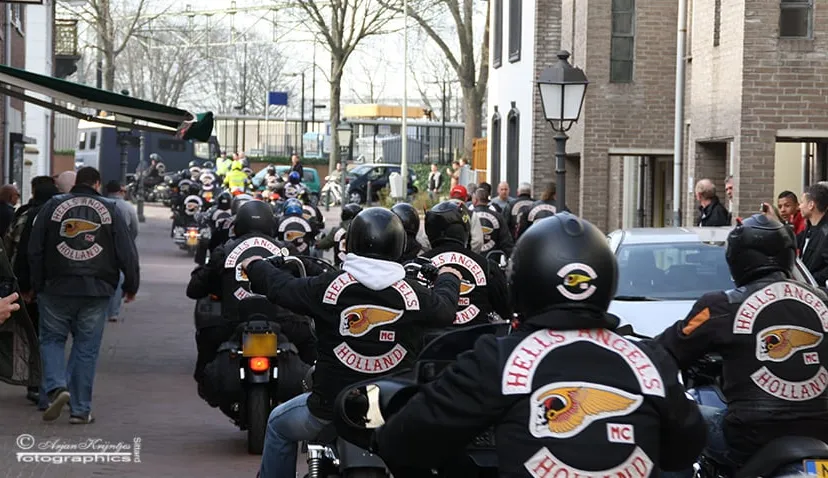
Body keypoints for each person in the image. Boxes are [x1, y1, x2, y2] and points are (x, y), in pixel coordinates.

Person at [373, 212, 705, 476]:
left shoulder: (498, 359)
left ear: (522, 281)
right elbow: (683, 449)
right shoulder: (650, 360)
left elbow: (403, 442)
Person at [240, 207, 462, 478]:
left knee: (276, 424)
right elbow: (446, 309)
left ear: (353, 241)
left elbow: (281, 287)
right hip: (394, 408)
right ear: (399, 244)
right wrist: (449, 277)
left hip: (330, 407)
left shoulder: (326, 288)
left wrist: (256, 265)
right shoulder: (415, 295)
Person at [656, 214, 828, 474]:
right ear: (789, 254)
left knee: (676, 422)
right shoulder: (822, 301)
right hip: (821, 430)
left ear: (737, 258)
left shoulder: (720, 306)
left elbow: (666, 349)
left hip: (749, 436)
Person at [29, 167, 140, 424]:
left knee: (52, 340)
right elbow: (127, 251)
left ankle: (57, 386)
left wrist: (37, 283)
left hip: (56, 286)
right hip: (96, 289)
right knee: (86, 349)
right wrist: (130, 285)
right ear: (97, 184)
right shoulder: (110, 209)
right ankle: (80, 410)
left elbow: (35, 248)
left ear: (76, 183)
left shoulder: (53, 205)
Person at [186, 200, 317, 386]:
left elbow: (194, 289)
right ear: (272, 225)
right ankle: (317, 392)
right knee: (312, 344)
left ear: (238, 226)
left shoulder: (224, 250)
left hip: (233, 322)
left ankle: (208, 383)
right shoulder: (286, 250)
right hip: (284, 322)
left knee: (207, 338)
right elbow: (315, 276)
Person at [420, 200, 512, 326]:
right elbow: (506, 309)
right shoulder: (487, 267)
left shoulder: (415, 266)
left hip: (430, 343)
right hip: (477, 342)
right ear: (465, 230)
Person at [104, 180, 139, 322]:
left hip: (103, 246)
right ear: (120, 191)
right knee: (119, 277)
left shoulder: (102, 204)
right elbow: (135, 229)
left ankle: (103, 309)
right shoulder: (128, 207)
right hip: (121, 246)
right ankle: (113, 312)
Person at [797, 183, 828, 285]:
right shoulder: (809, 229)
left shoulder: (825, 233)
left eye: (802, 202)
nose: (799, 207)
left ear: (811, 205)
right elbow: (792, 240)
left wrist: (812, 281)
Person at [471, 188, 514, 257]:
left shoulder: (468, 215)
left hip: (472, 259)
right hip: (492, 258)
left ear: (475, 200)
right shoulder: (498, 217)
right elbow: (506, 242)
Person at [449, 185, 484, 252]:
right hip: (464, 258)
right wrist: (469, 255)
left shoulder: (438, 211)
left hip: (441, 258)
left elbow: (426, 240)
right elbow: (478, 241)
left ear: (450, 197)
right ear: (466, 198)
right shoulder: (472, 215)